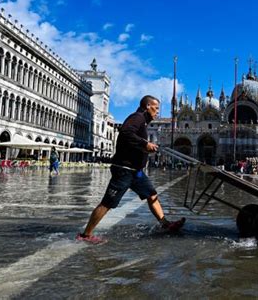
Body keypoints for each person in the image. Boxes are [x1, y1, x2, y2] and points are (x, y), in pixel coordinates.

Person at [77, 95, 185, 244]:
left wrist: (145, 147)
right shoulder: (137, 117)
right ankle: (85, 234)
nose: (158, 111)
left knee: (152, 195)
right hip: (124, 170)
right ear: (148, 106)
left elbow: (133, 139)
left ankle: (166, 224)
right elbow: (126, 132)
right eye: (156, 108)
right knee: (107, 203)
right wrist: (145, 144)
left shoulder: (143, 122)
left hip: (136, 171)